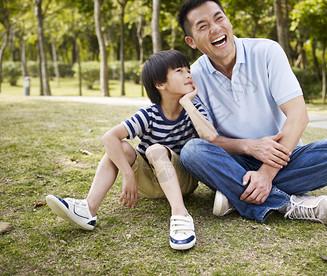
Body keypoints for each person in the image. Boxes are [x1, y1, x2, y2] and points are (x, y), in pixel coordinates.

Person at [177, 0, 327, 224]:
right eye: (203, 26)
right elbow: (208, 138)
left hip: (283, 156)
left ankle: (236, 194)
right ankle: (287, 204)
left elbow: (298, 115)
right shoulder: (193, 78)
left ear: (229, 21)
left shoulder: (266, 51)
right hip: (234, 160)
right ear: (191, 42)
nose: (215, 29)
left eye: (219, 18)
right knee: (192, 151)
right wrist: (249, 146)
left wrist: (265, 173)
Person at [46, 50, 217, 250]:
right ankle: (88, 208)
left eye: (188, 69)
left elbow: (210, 137)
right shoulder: (149, 113)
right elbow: (109, 137)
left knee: (154, 150)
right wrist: (127, 173)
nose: (188, 74)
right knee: (119, 147)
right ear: (160, 84)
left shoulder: (193, 108)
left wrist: (187, 103)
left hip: (183, 182)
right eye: (179, 70)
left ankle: (180, 215)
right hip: (149, 182)